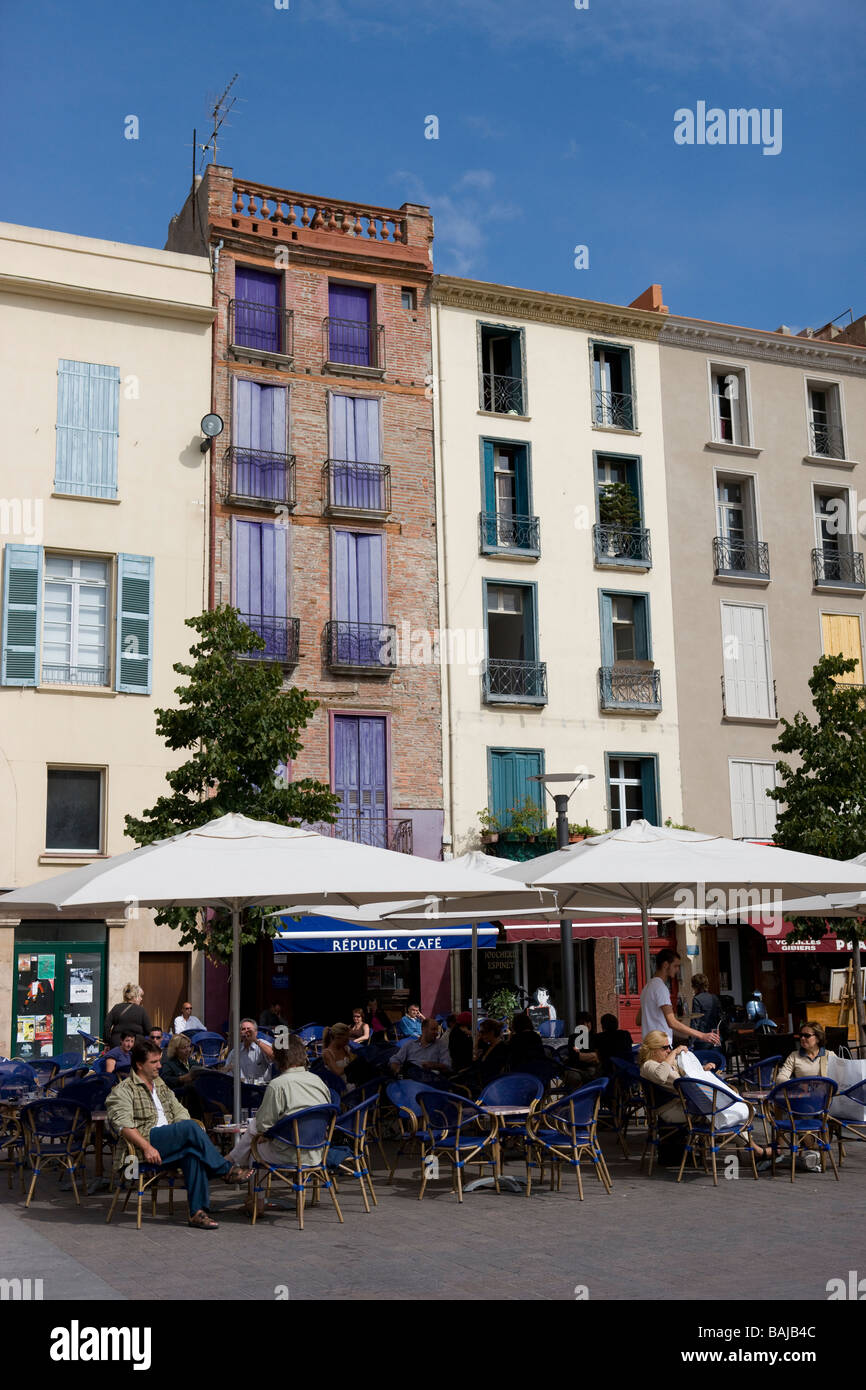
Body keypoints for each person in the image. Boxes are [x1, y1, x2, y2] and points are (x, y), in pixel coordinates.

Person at [105, 1037, 250, 1230]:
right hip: (144, 1144)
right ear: (139, 1065)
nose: (159, 1066)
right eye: (154, 1062)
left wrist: (184, 1132)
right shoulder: (123, 1090)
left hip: (169, 1142)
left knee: (192, 1152)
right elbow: (123, 1126)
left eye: (159, 1061)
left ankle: (197, 1212)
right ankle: (225, 1170)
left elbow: (180, 1111)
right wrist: (147, 1147)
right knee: (190, 1128)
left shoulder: (161, 1085)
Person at [227, 1037, 335, 1212]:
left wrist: (264, 1134)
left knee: (255, 1149)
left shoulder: (278, 1085)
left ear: (278, 1059)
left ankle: (253, 1196)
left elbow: (263, 1124)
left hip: (289, 1152)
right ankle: (232, 1162)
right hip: (317, 1151)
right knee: (256, 1136)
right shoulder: (318, 1081)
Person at [637, 1030, 770, 1156]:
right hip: (671, 1110)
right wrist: (674, 1053)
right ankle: (756, 1151)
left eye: (670, 1047)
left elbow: (684, 1073)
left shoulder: (665, 1062)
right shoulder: (648, 1065)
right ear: (653, 1050)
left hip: (684, 1105)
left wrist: (702, 1069)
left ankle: (753, 1148)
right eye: (665, 1048)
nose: (669, 1050)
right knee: (717, 1115)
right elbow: (661, 1075)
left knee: (723, 1112)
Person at [637, 949, 720, 1047]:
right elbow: (671, 1022)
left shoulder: (647, 988)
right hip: (660, 1046)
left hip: (649, 1044)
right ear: (665, 965)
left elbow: (638, 1020)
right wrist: (702, 1035)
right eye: (675, 966)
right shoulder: (661, 988)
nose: (677, 970)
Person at [224, 1019, 274, 1083]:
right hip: (243, 1088)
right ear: (240, 1033)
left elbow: (273, 1056)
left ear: (256, 1032)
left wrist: (255, 1040)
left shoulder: (261, 1044)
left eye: (249, 1029)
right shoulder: (235, 1051)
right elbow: (227, 1071)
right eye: (243, 1029)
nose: (246, 1031)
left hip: (260, 1088)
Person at [104, 983, 151, 1048]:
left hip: (117, 1044)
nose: (141, 999)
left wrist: (108, 1041)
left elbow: (107, 1025)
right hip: (136, 1045)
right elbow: (149, 1030)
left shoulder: (116, 1008)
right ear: (135, 997)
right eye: (140, 996)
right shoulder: (141, 1010)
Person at [689, 974, 721, 1042]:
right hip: (715, 1036)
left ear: (695, 986)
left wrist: (691, 1041)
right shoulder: (715, 998)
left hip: (703, 1037)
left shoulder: (697, 999)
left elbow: (695, 1022)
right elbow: (719, 1018)